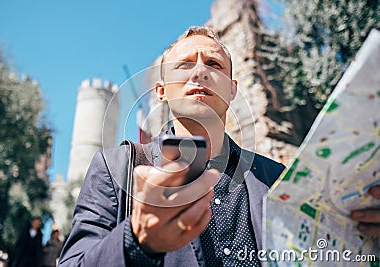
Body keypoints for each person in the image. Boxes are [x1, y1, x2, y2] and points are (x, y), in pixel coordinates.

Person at [58, 26, 380, 266]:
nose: (200, 71)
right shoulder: (116, 167)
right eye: (184, 65)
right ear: (161, 91)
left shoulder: (276, 178)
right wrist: (136, 240)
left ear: (231, 90)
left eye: (214, 65)